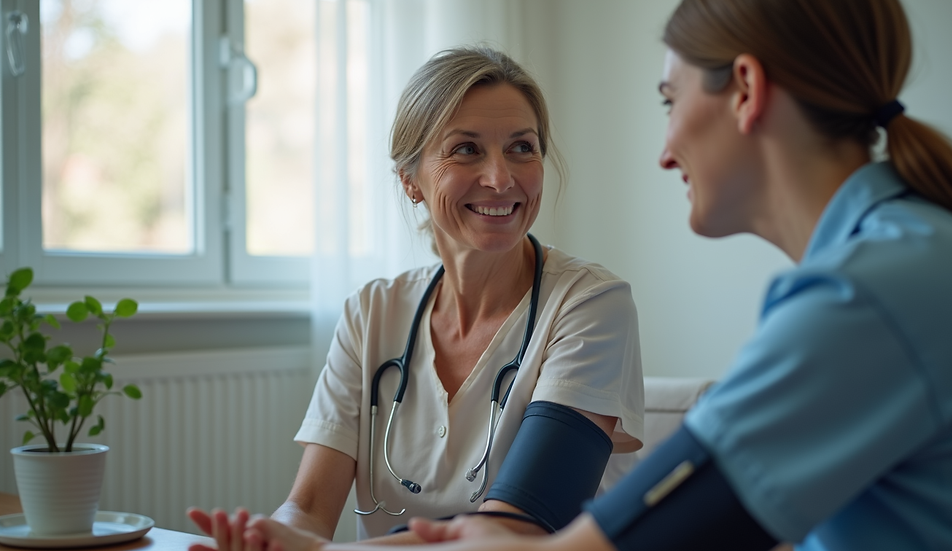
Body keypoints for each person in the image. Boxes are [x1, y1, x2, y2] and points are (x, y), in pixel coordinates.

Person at [232, 0, 952, 549]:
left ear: (746, 90)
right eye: (465, 151)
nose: (662, 150)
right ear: (412, 181)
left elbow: (605, 539)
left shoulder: (870, 291)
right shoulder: (895, 262)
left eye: (669, 99)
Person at [186, 46, 645, 549]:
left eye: (522, 147)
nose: (500, 177)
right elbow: (310, 509)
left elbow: (518, 528)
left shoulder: (590, 305)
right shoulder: (371, 314)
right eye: (467, 149)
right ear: (410, 180)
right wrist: (273, 536)